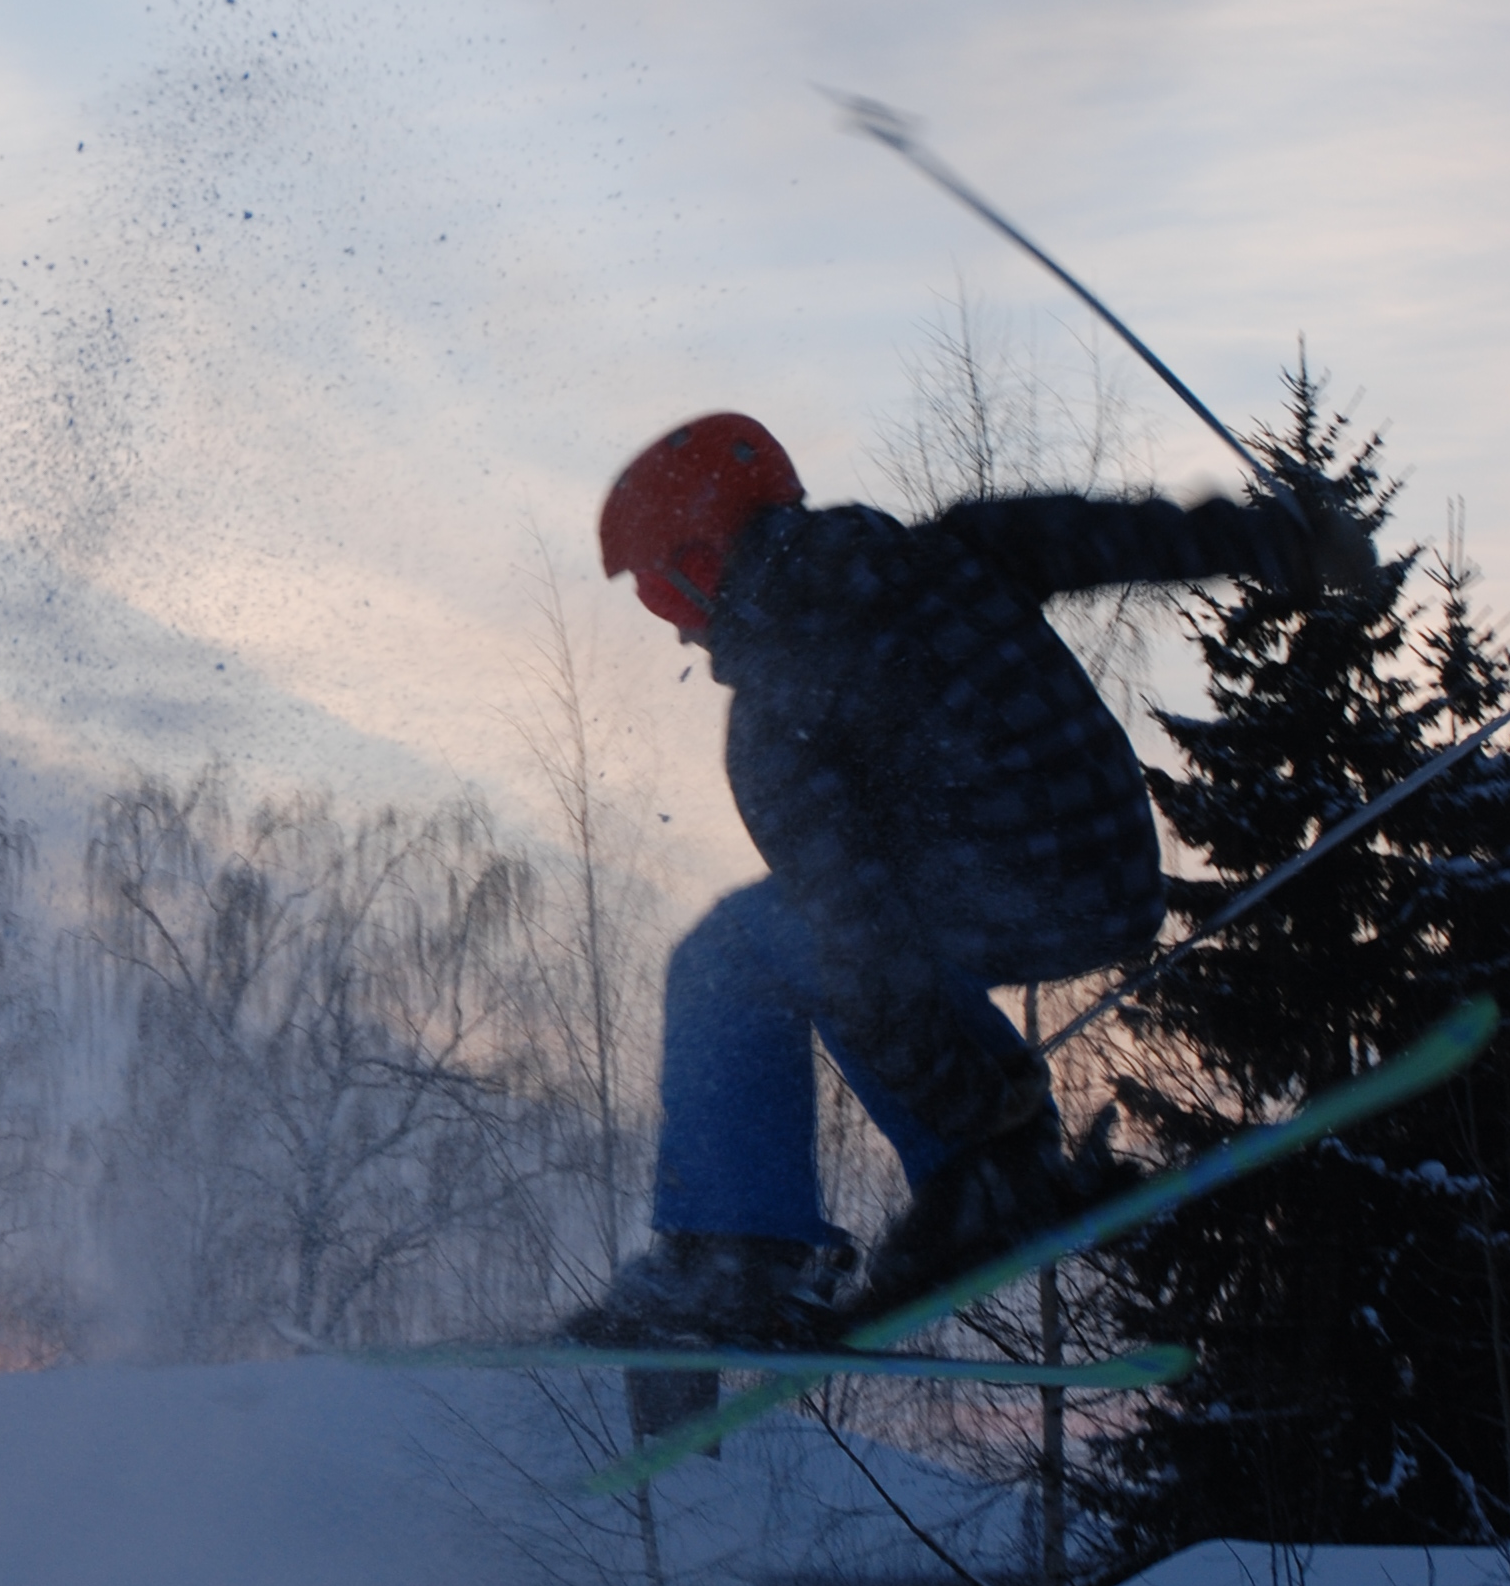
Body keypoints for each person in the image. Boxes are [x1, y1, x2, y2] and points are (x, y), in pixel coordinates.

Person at [580, 412, 1371, 1421]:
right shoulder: (952, 549)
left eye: (657, 592)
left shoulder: (778, 711)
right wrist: (1292, 541)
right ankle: (973, 1172)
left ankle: (741, 1255)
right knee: (823, 940)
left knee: (741, 949)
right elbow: (1122, 536)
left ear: (698, 562)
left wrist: (983, 1126)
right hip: (1114, 874)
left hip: (993, 887)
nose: (678, 627)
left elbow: (857, 938)